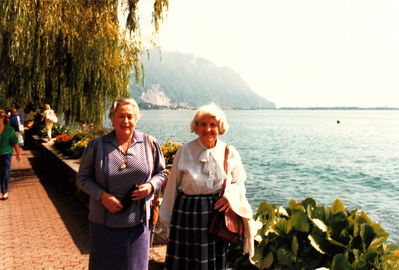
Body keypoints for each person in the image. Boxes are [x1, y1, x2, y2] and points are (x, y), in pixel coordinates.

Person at [160, 103, 256, 270]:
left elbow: (239, 182)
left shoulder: (229, 152)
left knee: (212, 264)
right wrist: (167, 223)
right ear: (196, 127)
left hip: (215, 218)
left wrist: (229, 197)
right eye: (203, 124)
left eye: (213, 125)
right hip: (186, 216)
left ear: (220, 127)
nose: (208, 129)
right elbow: (172, 189)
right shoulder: (184, 151)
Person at [77, 98, 167, 270]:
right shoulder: (97, 146)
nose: (125, 121)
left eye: (130, 116)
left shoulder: (149, 143)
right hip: (103, 223)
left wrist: (150, 186)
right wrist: (102, 196)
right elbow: (82, 178)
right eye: (120, 116)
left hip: (138, 223)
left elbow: (162, 173)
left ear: (136, 119)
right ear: (112, 119)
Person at [0, 109, 21, 200]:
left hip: (6, 153)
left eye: (0, 117)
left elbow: (14, 142)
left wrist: (18, 153)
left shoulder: (9, 129)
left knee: (5, 173)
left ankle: (4, 191)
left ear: (3, 118)